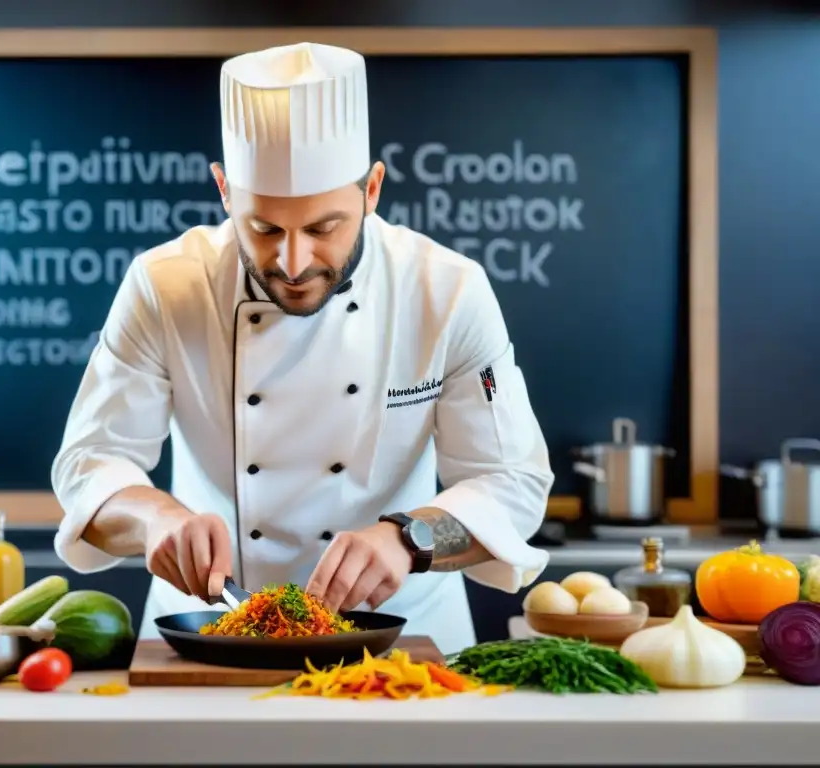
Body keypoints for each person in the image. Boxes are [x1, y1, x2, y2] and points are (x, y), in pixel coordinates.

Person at [51, 41, 554, 655]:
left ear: (371, 191)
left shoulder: (445, 290)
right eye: (264, 229)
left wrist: (410, 538)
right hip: (209, 636)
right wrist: (156, 519)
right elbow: (88, 464)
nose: (292, 263)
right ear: (224, 191)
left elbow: (513, 481)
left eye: (324, 228)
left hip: (404, 641)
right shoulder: (165, 285)